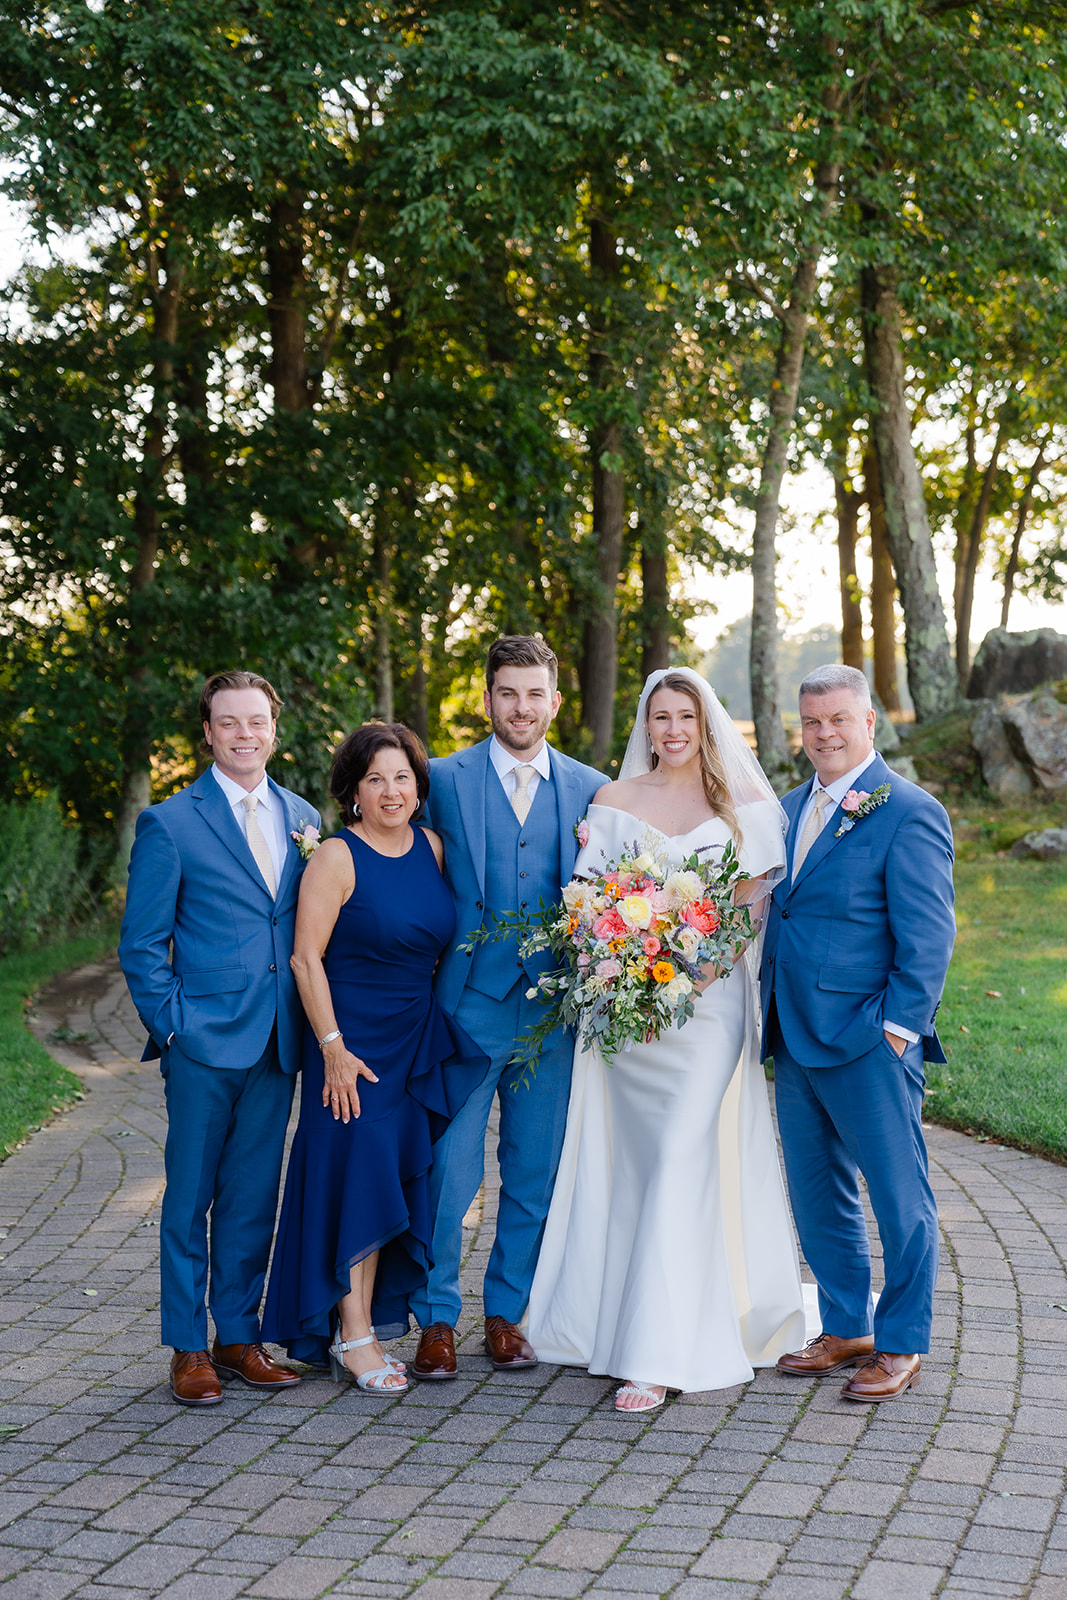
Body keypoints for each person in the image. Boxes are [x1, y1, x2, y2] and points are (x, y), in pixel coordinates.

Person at [527, 667, 806, 1412]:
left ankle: (657, 1355)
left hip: (705, 1014)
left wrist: (686, 982)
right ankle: (610, 1320)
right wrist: (624, 977)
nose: (672, 730)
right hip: (624, 1017)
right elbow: (586, 911)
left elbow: (746, 917)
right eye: (660, 717)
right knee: (634, 1165)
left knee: (682, 1156)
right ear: (645, 726)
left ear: (705, 722)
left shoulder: (744, 807)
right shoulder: (613, 802)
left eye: (684, 715)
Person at [260, 723, 487, 1391]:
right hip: (351, 1040)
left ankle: (355, 1329)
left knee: (387, 1174)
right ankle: (353, 1335)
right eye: (375, 779)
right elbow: (305, 958)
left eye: (402, 777)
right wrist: (332, 1051)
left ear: (420, 787)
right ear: (353, 792)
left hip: (412, 1039)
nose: (391, 791)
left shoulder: (435, 848)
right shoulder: (336, 856)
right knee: (354, 1170)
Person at [119, 670, 320, 1406]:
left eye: (256, 721)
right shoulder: (171, 823)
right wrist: (173, 1027)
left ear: (274, 728)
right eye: (228, 722)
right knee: (190, 1198)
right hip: (202, 1042)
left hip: (276, 1041)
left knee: (250, 1197)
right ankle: (187, 1347)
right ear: (207, 731)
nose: (244, 734)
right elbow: (142, 944)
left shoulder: (301, 816)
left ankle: (238, 1336)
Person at [408, 636, 606, 1380]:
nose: (520, 708)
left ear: (555, 701)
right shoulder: (442, 780)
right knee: (447, 1175)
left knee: (533, 1171)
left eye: (534, 695)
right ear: (486, 698)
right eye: (506, 693)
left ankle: (506, 1313)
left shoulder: (592, 787)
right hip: (463, 1009)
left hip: (552, 1014)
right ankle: (434, 1319)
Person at [762, 664, 955, 1403]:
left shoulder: (907, 811)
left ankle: (901, 1341)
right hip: (792, 1035)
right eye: (811, 723)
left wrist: (898, 1033)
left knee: (900, 1199)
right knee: (817, 1194)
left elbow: (929, 938)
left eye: (838, 720)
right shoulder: (784, 809)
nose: (823, 735)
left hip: (869, 1041)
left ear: (868, 722)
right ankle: (846, 1324)